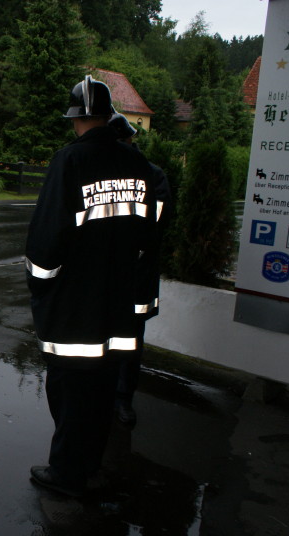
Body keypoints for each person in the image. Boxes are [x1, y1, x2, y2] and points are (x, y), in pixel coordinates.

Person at [25, 76, 158, 498]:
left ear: (75, 119)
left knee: (68, 391)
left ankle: (67, 474)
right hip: (118, 305)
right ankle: (91, 467)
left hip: (74, 307)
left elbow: (47, 240)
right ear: (108, 115)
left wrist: (41, 288)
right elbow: (149, 232)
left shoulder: (69, 161)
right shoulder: (137, 164)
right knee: (102, 393)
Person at [108, 113, 173, 427]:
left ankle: (122, 399)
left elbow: (155, 223)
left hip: (135, 277)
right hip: (103, 278)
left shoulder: (152, 175)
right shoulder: (100, 174)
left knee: (129, 343)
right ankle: (101, 397)